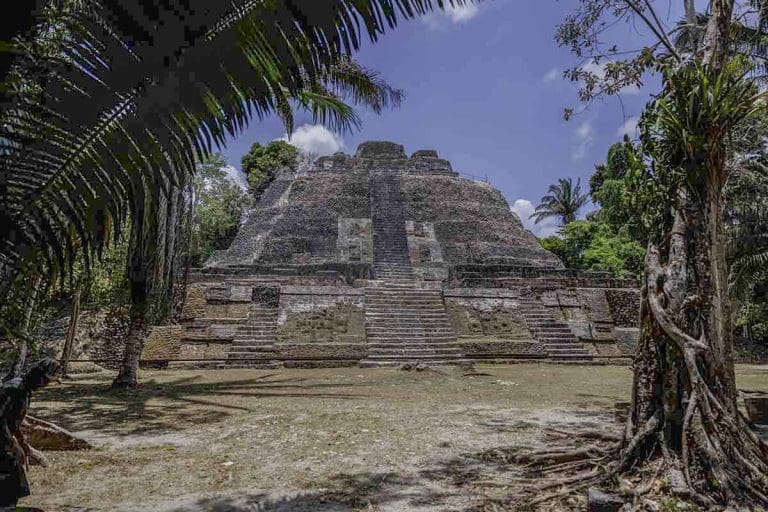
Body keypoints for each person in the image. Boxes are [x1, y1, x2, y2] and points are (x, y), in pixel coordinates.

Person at [0, 358, 60, 509]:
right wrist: (15, 445)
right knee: (10, 469)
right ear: (39, 377)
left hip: (5, 435)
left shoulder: (23, 389)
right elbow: (3, 421)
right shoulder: (14, 390)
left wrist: (23, 444)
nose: (46, 385)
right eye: (46, 380)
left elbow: (13, 421)